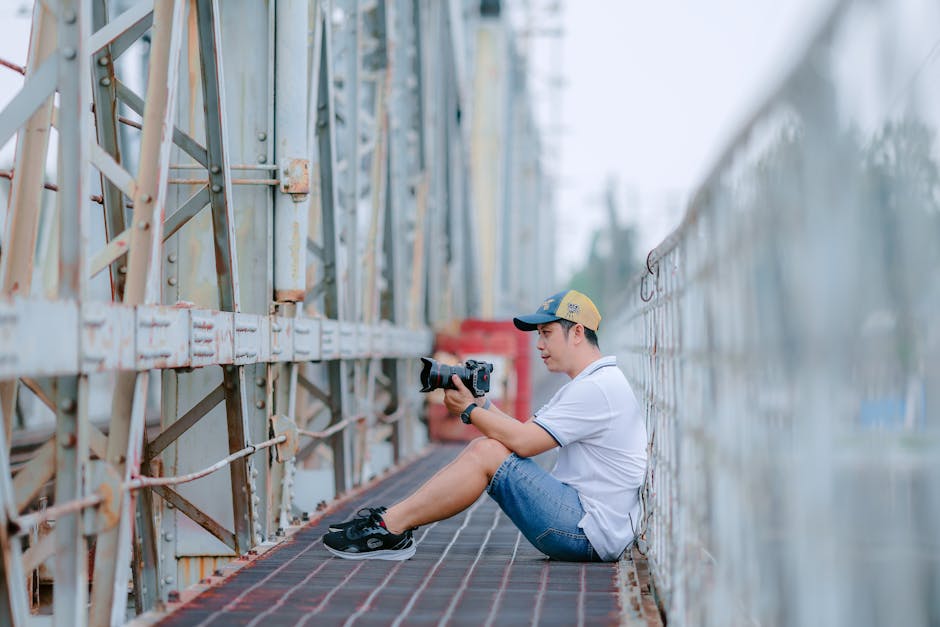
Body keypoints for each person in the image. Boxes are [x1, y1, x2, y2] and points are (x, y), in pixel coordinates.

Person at [321, 290, 648, 562]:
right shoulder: (592, 383)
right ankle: (391, 524)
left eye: (546, 334)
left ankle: (389, 529)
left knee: (487, 451)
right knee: (489, 447)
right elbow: (523, 431)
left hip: (586, 532)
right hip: (586, 521)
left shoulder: (595, 389)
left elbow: (523, 443)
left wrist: (468, 412)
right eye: (538, 336)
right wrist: (480, 406)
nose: (538, 345)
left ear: (577, 332)